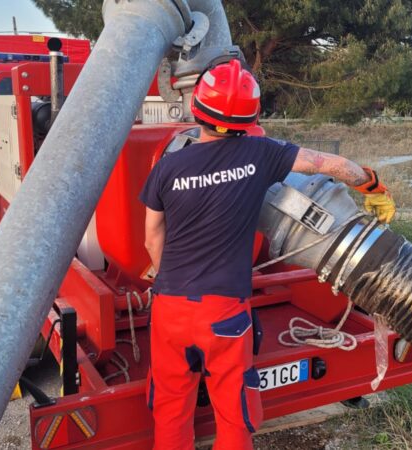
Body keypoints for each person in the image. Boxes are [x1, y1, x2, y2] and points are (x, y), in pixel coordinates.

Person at [139, 59, 395, 450]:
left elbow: (152, 238)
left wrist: (165, 276)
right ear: (250, 116)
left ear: (198, 110)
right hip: (223, 313)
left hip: (169, 308)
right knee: (233, 413)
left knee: (171, 410)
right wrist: (374, 186)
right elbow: (333, 165)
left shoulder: (168, 167)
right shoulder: (260, 154)